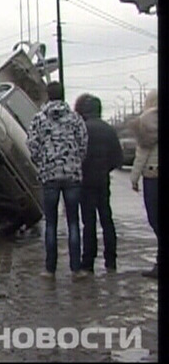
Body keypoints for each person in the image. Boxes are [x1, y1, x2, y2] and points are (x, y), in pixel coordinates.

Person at [27, 81, 88, 278]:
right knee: (72, 222)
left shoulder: (39, 119)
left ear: (48, 96)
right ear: (63, 95)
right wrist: (75, 161)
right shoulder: (75, 118)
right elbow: (83, 144)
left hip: (49, 175)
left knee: (51, 223)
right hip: (72, 175)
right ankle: (76, 269)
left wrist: (42, 162)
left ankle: (50, 269)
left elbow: (32, 145)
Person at [74, 94, 123, 274]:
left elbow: (76, 156)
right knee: (107, 220)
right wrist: (104, 169)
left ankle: (88, 262)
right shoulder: (109, 130)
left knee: (89, 223)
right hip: (103, 181)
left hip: (85, 183)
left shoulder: (81, 129)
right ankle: (111, 261)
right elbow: (118, 158)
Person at [128, 89, 158, 279]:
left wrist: (134, 178)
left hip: (152, 177)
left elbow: (142, 155)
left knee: (155, 220)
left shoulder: (145, 123)